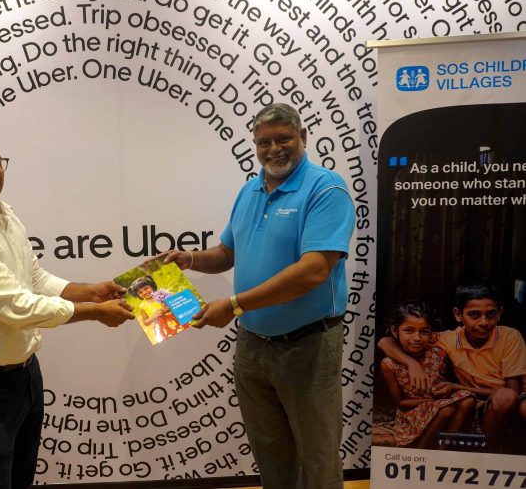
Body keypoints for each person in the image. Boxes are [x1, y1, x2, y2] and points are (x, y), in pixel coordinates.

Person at [0, 126, 135, 488]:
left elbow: (33, 278)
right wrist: (95, 313)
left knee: (20, 480)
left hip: (23, 376)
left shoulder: (2, 213)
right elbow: (19, 307)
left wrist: (91, 292)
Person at [165, 103, 355, 489]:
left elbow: (314, 270)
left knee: (317, 458)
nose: (274, 149)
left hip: (307, 346)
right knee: (270, 452)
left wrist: (235, 305)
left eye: (283, 139)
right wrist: (189, 259)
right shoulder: (250, 190)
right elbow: (227, 253)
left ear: (303, 137)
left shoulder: (326, 189)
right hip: (252, 347)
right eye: (263, 142)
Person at [378, 281, 526, 452]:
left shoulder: (510, 336)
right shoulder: (447, 339)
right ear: (458, 315)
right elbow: (385, 342)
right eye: (474, 315)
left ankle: (488, 450)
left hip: (513, 399)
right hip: (478, 404)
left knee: (512, 400)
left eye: (491, 314)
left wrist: (456, 388)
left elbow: (512, 392)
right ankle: (487, 450)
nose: (484, 322)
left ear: (499, 313)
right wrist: (411, 363)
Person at [379, 302, 476, 449]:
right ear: (395, 331)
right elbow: (400, 402)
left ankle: (445, 449)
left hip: (441, 403)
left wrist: (443, 395)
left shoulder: (438, 353)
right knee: (446, 409)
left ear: (431, 333)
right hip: (413, 412)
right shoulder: (389, 364)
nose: (417, 337)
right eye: (409, 331)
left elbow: (450, 382)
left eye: (424, 332)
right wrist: (433, 401)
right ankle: (422, 451)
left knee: (468, 399)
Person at [128, 275, 182, 342]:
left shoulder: (162, 295)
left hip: (175, 321)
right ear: (138, 295)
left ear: (151, 286)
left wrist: (169, 307)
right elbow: (146, 322)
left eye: (146, 288)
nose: (144, 292)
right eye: (140, 292)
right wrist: (154, 316)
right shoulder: (142, 306)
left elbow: (177, 304)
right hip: (161, 327)